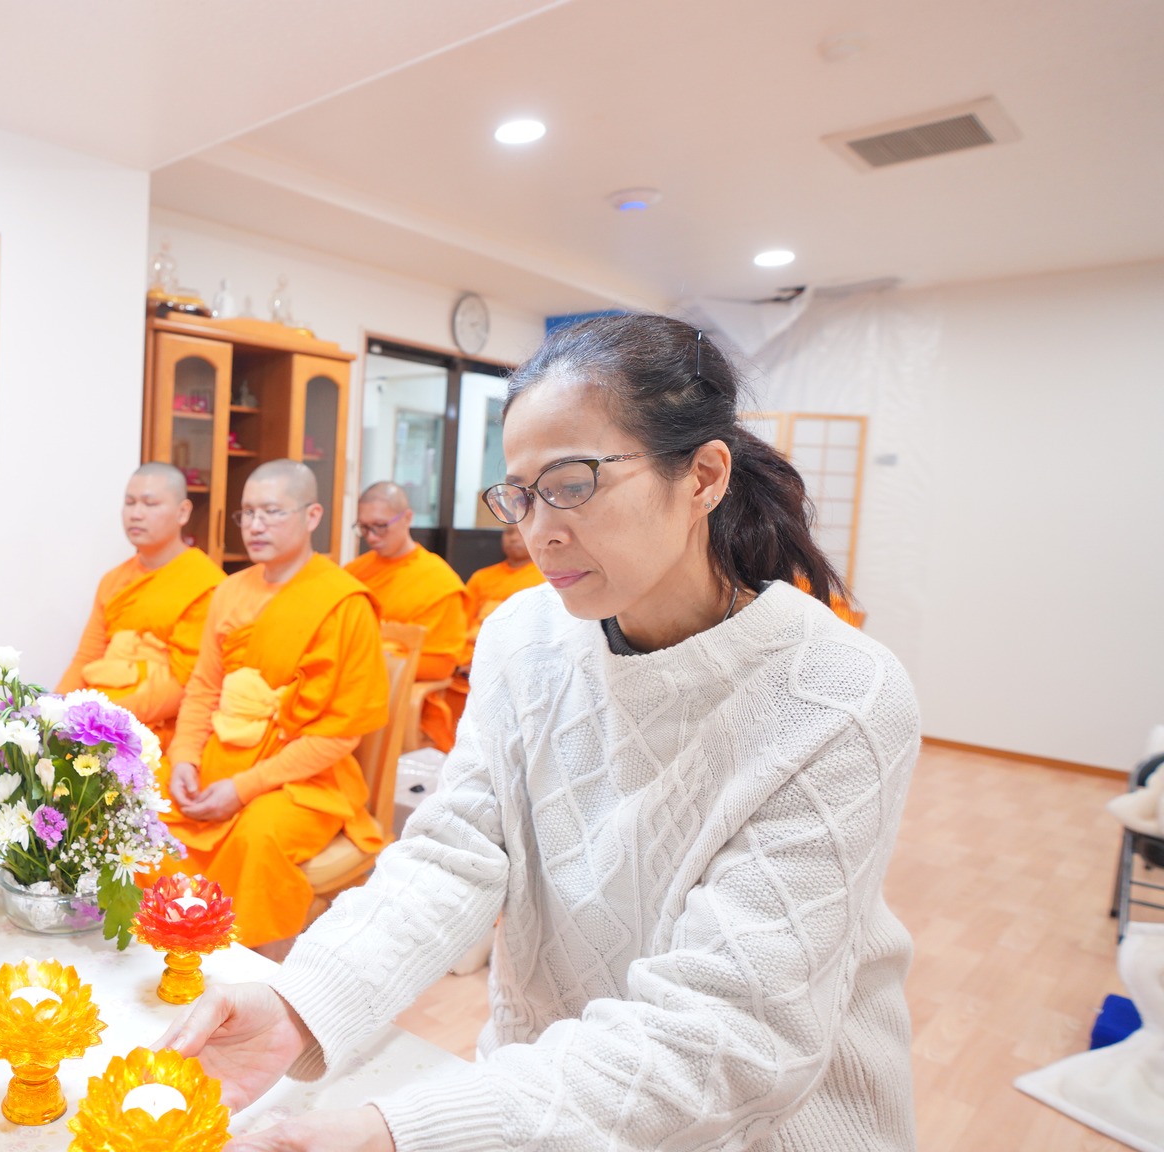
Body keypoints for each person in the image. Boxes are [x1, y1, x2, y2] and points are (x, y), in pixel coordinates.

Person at [158, 315, 920, 1151]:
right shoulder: (525, 635)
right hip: (543, 1097)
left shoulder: (836, 695)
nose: (537, 532)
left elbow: (731, 1033)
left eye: (573, 482)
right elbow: (456, 852)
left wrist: (396, 1132)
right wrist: (300, 1006)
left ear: (703, 476)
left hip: (762, 1128)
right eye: (520, 495)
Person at [162, 460, 390, 954]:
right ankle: (166, 957)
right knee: (150, 811)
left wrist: (244, 788)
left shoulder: (342, 602)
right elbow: (203, 688)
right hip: (224, 756)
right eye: (246, 513)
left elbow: (339, 733)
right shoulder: (230, 590)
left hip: (304, 778)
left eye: (271, 511)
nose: (255, 525)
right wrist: (183, 758)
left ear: (312, 516)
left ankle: (251, 977)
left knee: (258, 835)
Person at [57, 463, 226, 744]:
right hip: (96, 719)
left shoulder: (205, 584)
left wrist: (113, 720)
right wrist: (56, 709)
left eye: (150, 504)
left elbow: (187, 683)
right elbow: (87, 657)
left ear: (183, 512)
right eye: (130, 502)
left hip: (155, 728)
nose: (136, 514)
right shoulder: (113, 581)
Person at [342, 483, 466, 753]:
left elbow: (440, 665)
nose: (372, 537)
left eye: (380, 526)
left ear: (407, 518)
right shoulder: (355, 572)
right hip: (348, 688)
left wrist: (368, 659)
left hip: (401, 700)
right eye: (364, 528)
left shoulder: (437, 581)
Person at [426, 523, 548, 747]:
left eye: (520, 533)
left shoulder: (544, 578)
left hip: (512, 661)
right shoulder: (482, 578)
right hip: (467, 664)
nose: (513, 539)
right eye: (509, 533)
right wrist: (464, 659)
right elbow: (460, 624)